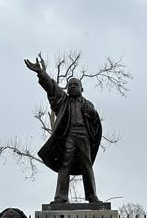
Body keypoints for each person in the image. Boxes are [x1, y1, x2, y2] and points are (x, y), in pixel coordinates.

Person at [24, 54, 103, 205]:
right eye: (70, 85)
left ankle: (92, 197)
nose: (72, 87)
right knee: (64, 164)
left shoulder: (88, 104)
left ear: (82, 88)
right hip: (69, 136)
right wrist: (41, 73)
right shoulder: (63, 101)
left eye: (76, 85)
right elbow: (51, 86)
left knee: (87, 165)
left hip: (83, 136)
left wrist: (93, 114)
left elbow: (96, 123)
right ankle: (60, 197)